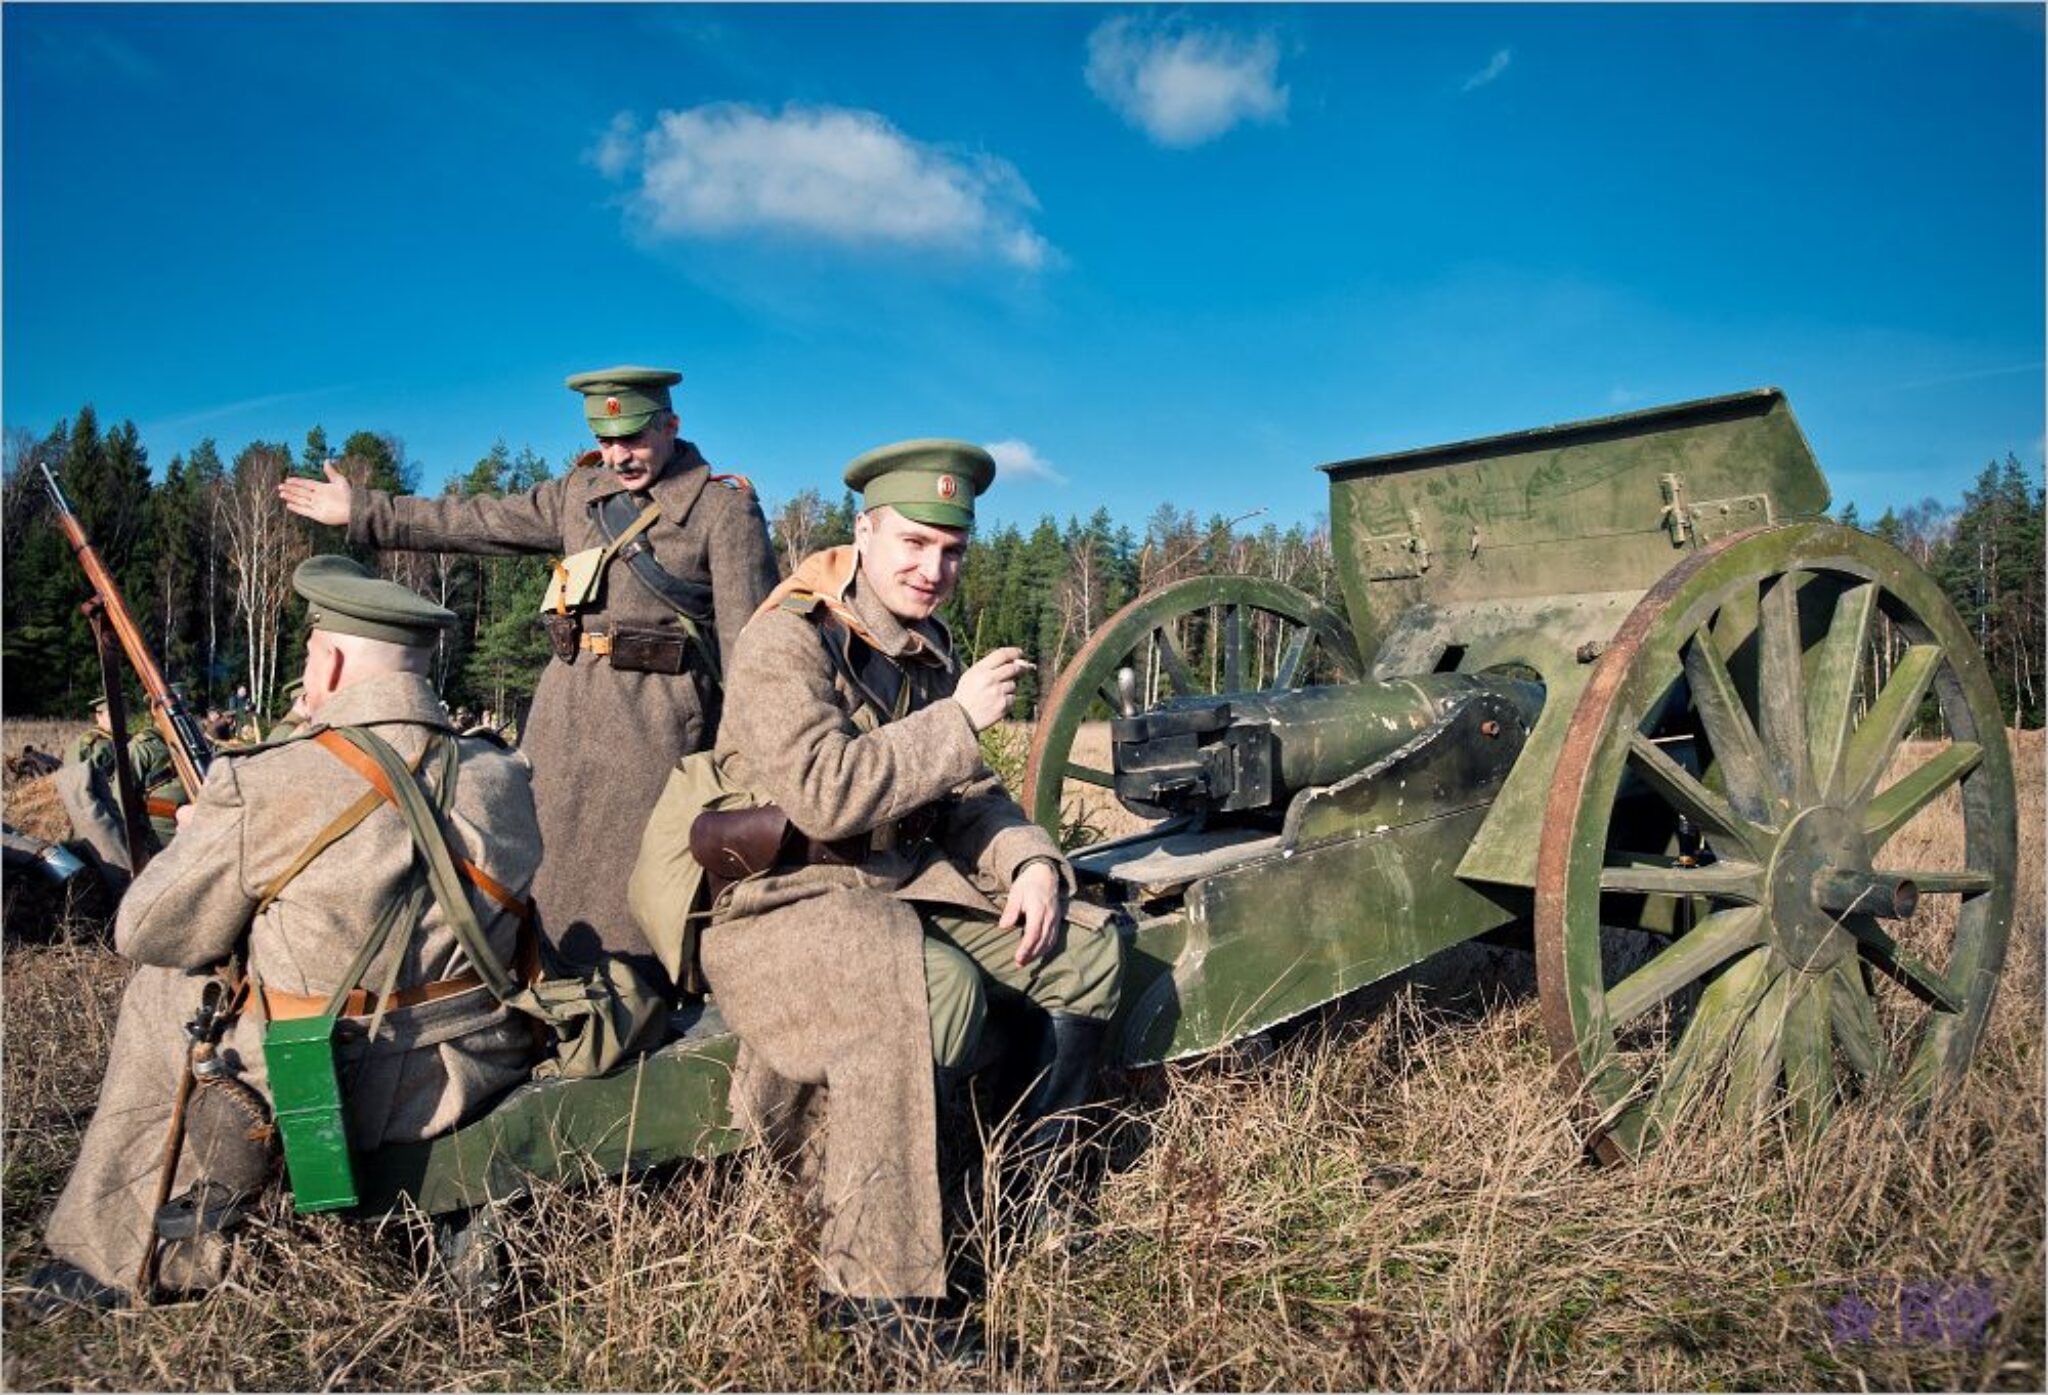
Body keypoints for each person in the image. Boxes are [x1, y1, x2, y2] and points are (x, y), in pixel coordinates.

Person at [696, 439, 1125, 1360]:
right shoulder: (785, 638)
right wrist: (960, 718)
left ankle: (1017, 1205)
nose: (934, 570)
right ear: (865, 533)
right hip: (785, 901)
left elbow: (968, 797)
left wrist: (1030, 862)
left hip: (897, 886)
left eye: (953, 550)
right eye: (914, 544)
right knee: (930, 996)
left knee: (1085, 951)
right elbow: (823, 791)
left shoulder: (927, 649)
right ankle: (881, 1300)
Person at [26, 555, 544, 1312]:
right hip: (474, 1062)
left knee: (164, 989)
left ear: (330, 659)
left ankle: (123, 1258)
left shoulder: (271, 779)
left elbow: (142, 929)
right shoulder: (502, 773)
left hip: (338, 1089)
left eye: (308, 651)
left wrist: (209, 838)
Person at [279, 366, 778, 989]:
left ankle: (630, 1017)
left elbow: (752, 653)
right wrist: (366, 511)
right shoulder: (580, 495)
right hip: (561, 721)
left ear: (671, 426)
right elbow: (475, 520)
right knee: (536, 875)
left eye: (635, 439)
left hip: (658, 731)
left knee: (634, 895)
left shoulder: (721, 512)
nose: (619, 456)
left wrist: (751, 764)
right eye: (607, 440)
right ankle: (542, 1006)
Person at [54, 697, 188, 881]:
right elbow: (75, 790)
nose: (121, 717)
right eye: (113, 713)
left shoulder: (130, 740)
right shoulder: (87, 745)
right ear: (98, 716)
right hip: (99, 816)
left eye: (123, 712)